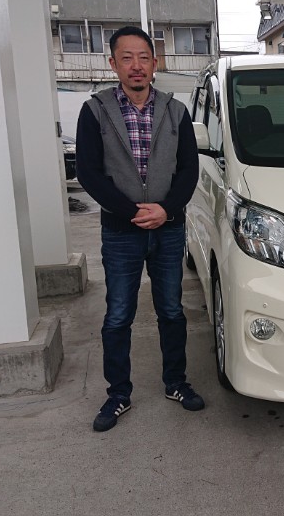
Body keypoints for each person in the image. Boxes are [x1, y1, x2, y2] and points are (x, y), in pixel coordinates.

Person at [76, 26, 203, 433]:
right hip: (121, 232)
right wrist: (132, 211)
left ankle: (176, 382)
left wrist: (165, 210)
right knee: (118, 314)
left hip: (168, 229)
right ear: (113, 63)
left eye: (143, 57)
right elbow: (89, 173)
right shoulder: (95, 110)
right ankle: (118, 394)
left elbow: (189, 171)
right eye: (126, 58)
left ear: (154, 63)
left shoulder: (175, 111)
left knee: (171, 310)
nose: (136, 65)